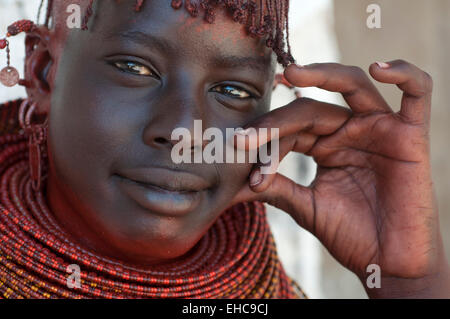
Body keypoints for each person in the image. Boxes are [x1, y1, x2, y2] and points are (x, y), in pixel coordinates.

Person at [0, 0, 448, 299]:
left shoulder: (264, 288)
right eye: (135, 68)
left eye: (233, 90)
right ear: (42, 73)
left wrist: (409, 283)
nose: (184, 132)